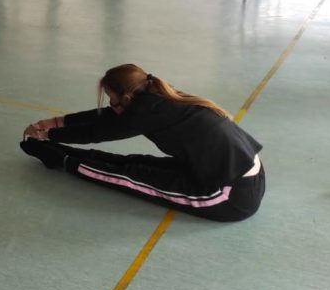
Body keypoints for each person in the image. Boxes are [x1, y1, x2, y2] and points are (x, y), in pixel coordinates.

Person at [20, 63, 264, 222]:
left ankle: (61, 159)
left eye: (112, 99)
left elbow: (96, 132)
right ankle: (60, 152)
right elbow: (106, 117)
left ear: (126, 97)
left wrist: (47, 136)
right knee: (134, 163)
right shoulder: (155, 97)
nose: (111, 105)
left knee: (130, 177)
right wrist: (55, 122)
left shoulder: (146, 111)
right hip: (234, 175)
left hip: (230, 195)